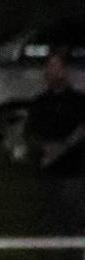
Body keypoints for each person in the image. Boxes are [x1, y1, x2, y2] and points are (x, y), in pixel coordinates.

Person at [25, 50, 85, 238]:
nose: (52, 72)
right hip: (47, 173)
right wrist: (44, 148)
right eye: (49, 67)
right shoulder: (40, 102)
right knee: (50, 222)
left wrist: (62, 147)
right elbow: (30, 133)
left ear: (65, 71)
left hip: (73, 172)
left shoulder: (78, 101)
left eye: (57, 67)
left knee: (72, 220)